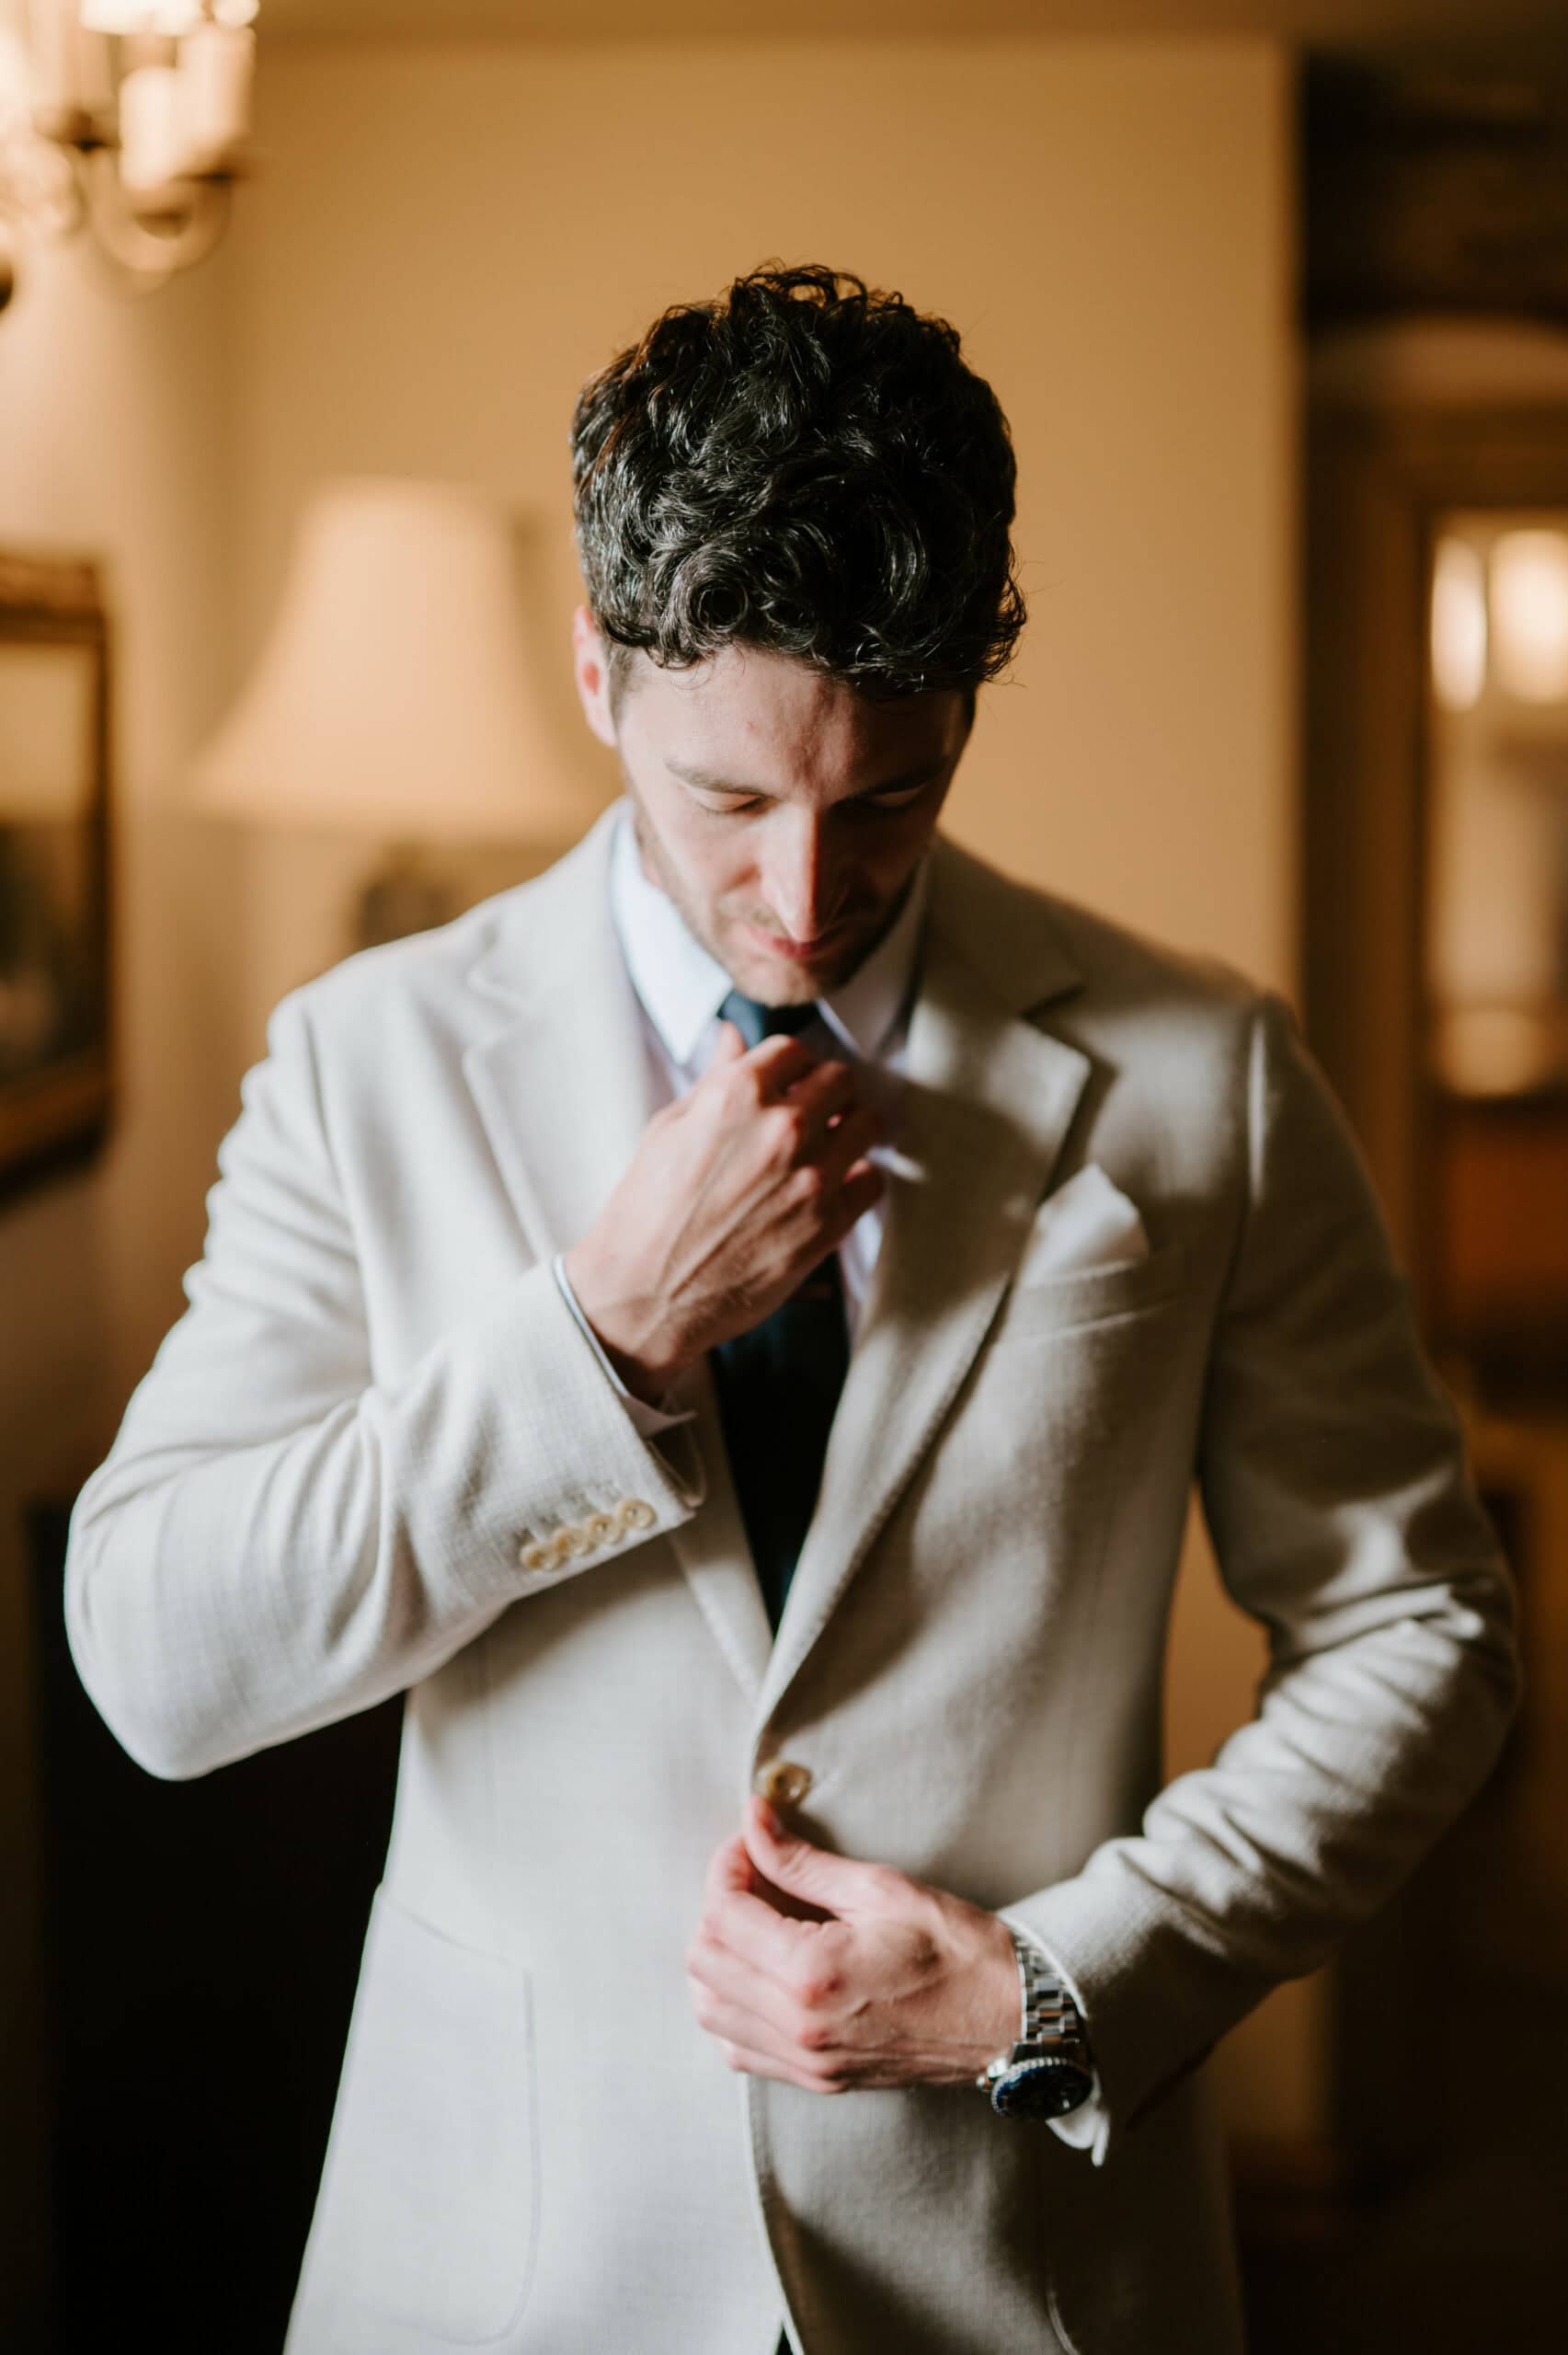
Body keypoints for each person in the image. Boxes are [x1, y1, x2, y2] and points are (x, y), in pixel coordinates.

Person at [65, 264, 1517, 2355]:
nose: (813, 893)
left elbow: (1422, 1631)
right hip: (500, 2264)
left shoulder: (1209, 1071)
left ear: (963, 714)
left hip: (1016, 2262)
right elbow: (154, 1652)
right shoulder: (361, 1059)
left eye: (892, 794)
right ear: (593, 673)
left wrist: (1067, 1975)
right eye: (730, 799)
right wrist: (596, 1339)